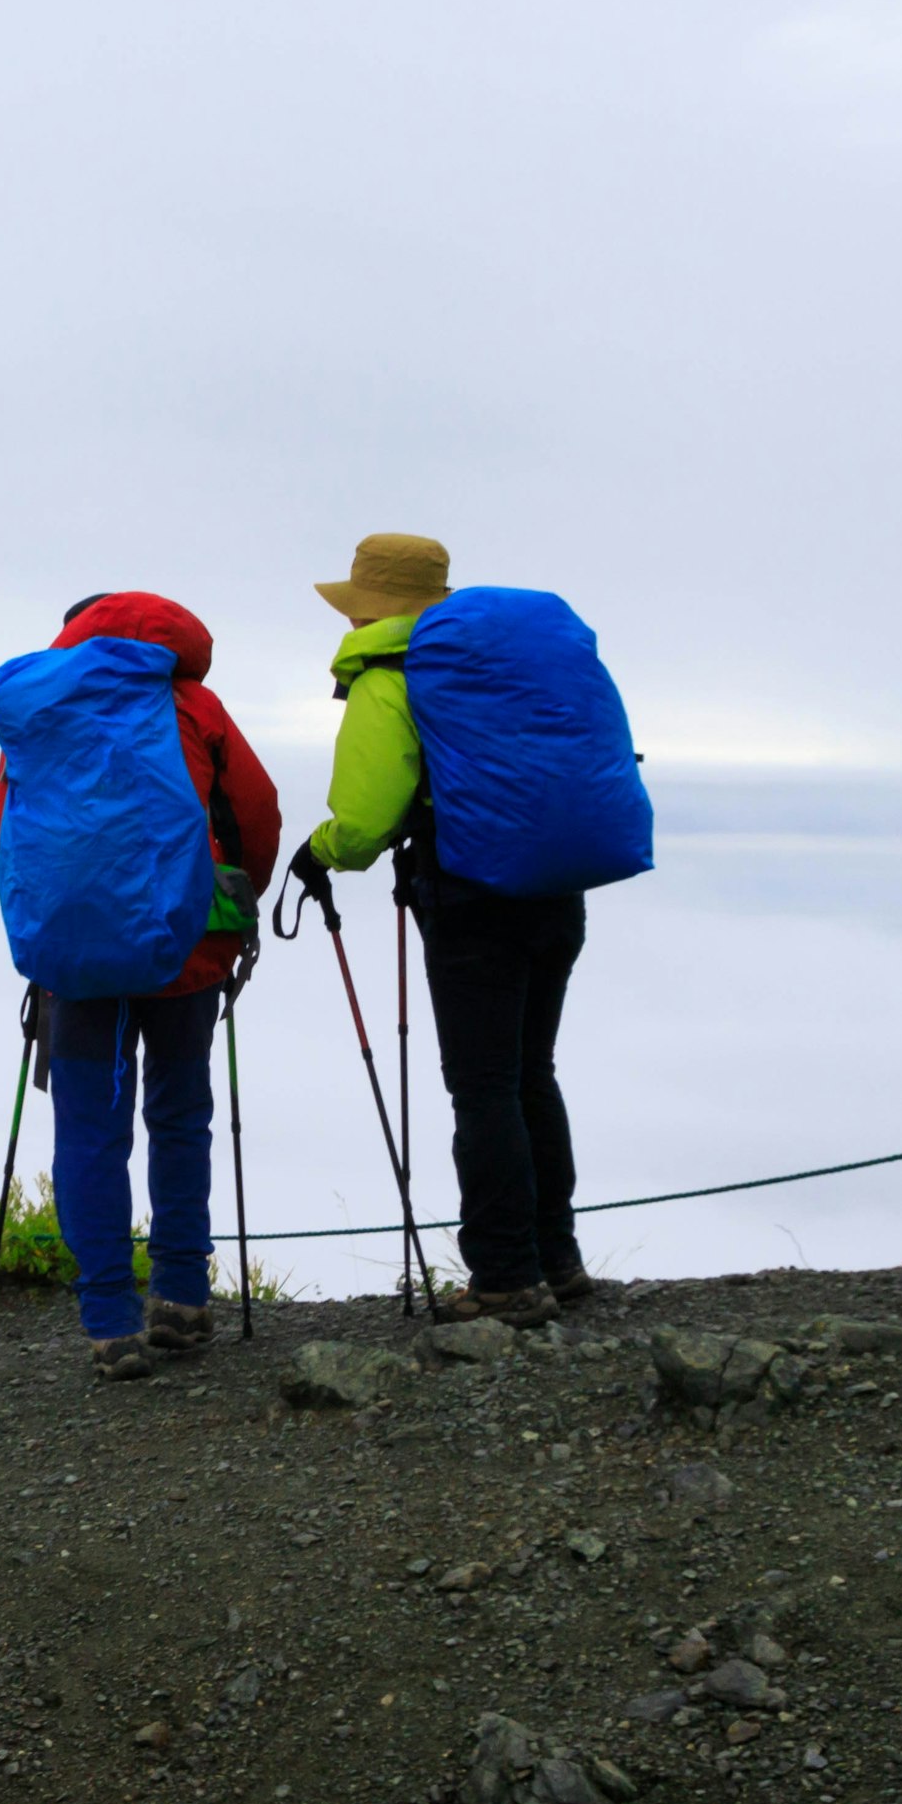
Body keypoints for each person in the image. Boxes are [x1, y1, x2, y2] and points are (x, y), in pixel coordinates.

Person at [289, 532, 599, 1326]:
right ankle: (556, 1261)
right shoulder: (505, 663)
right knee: (532, 1072)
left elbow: (363, 819)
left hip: (469, 899)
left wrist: (319, 853)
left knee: (483, 1084)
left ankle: (503, 1277)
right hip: (559, 888)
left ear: (371, 606)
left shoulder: (391, 675)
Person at [0, 592, 282, 1380]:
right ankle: (182, 1300)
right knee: (181, 1114)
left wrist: (48, 928)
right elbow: (256, 811)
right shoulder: (195, 705)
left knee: (90, 1131)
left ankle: (110, 1323)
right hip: (185, 946)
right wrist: (231, 906)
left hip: (78, 960)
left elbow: (3, 837)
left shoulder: (40, 709)